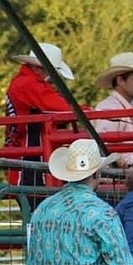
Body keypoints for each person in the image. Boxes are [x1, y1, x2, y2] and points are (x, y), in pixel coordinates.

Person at [4, 43, 82, 209]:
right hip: (30, 157)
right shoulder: (28, 85)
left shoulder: (23, 83)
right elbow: (64, 110)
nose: (50, 81)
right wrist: (87, 112)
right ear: (40, 69)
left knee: (36, 207)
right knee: (37, 204)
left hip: (26, 154)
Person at [94, 52, 133, 167]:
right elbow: (107, 148)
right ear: (120, 81)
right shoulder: (110, 108)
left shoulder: (126, 105)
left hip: (129, 170)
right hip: (117, 174)